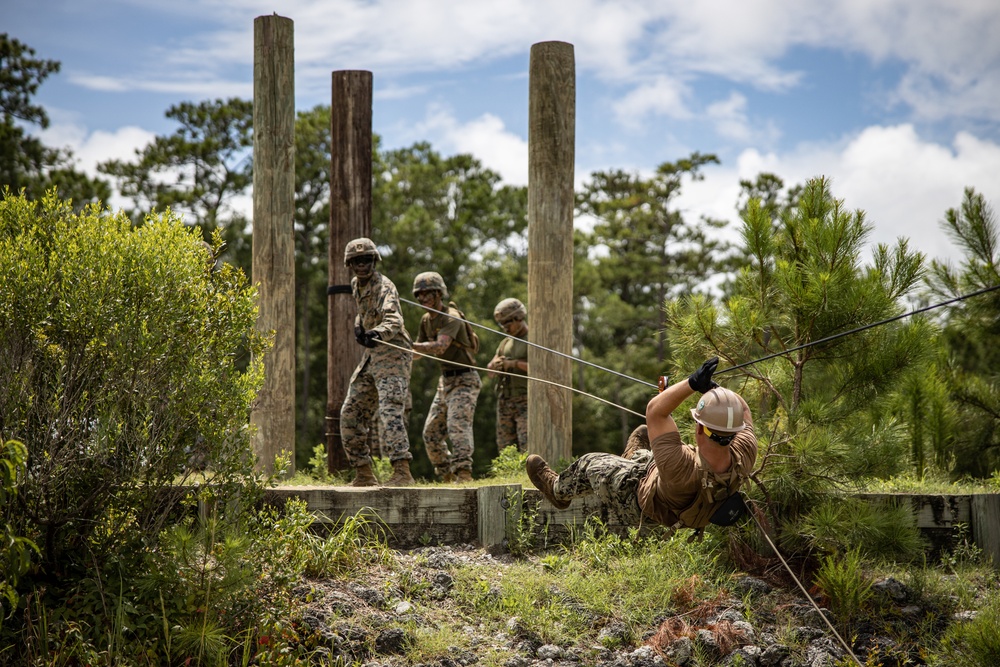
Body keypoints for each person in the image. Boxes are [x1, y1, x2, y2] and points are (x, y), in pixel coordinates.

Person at [525, 357, 757, 532]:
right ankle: (632, 460)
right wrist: (720, 398)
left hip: (641, 504)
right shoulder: (744, 453)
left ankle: (557, 491)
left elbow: (655, 410)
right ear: (734, 432)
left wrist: (694, 383)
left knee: (590, 463)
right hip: (678, 492)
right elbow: (743, 411)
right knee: (643, 434)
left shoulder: (681, 464)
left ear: (698, 429)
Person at [339, 238, 415, 487]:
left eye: (367, 260)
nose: (362, 265)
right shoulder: (355, 285)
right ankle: (363, 473)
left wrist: (377, 333)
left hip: (394, 353)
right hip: (372, 357)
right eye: (357, 261)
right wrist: (359, 328)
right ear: (350, 264)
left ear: (374, 261)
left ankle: (402, 471)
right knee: (350, 411)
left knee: (390, 410)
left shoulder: (385, 286)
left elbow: (394, 320)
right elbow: (363, 314)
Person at [412, 271, 482, 483]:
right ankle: (447, 476)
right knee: (431, 433)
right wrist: (397, 347)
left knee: (456, 425)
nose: (423, 299)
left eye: (428, 294)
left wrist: (409, 345)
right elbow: (417, 352)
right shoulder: (426, 321)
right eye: (419, 295)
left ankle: (464, 474)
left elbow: (440, 347)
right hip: (446, 382)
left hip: (465, 380)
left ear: (439, 294)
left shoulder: (451, 317)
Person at [486, 298, 529, 452]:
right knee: (505, 447)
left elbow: (540, 370)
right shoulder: (505, 343)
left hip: (526, 401)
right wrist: (495, 365)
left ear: (519, 318)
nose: (505, 328)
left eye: (507, 323)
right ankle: (509, 474)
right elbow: (490, 371)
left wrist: (514, 364)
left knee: (527, 444)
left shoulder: (533, 339)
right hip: (505, 400)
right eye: (501, 325)